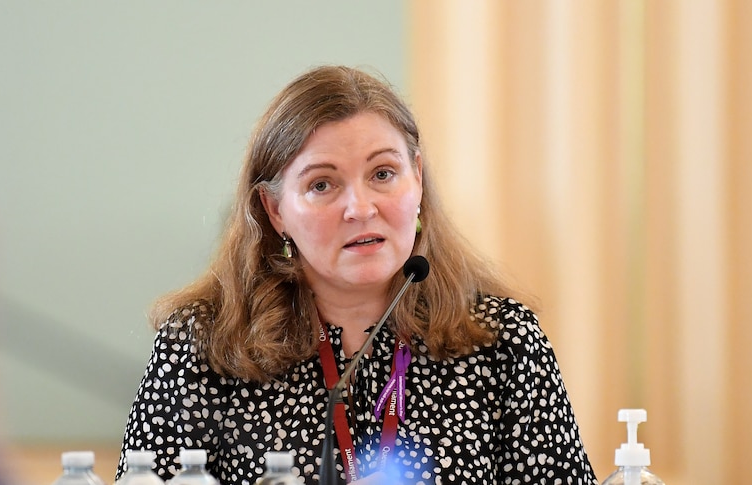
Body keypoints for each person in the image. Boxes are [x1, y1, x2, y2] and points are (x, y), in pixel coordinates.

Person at [117, 65, 598, 485]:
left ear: (419, 179)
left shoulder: (502, 340)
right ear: (274, 210)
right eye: (322, 184)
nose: (361, 208)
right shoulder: (202, 343)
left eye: (383, 174)